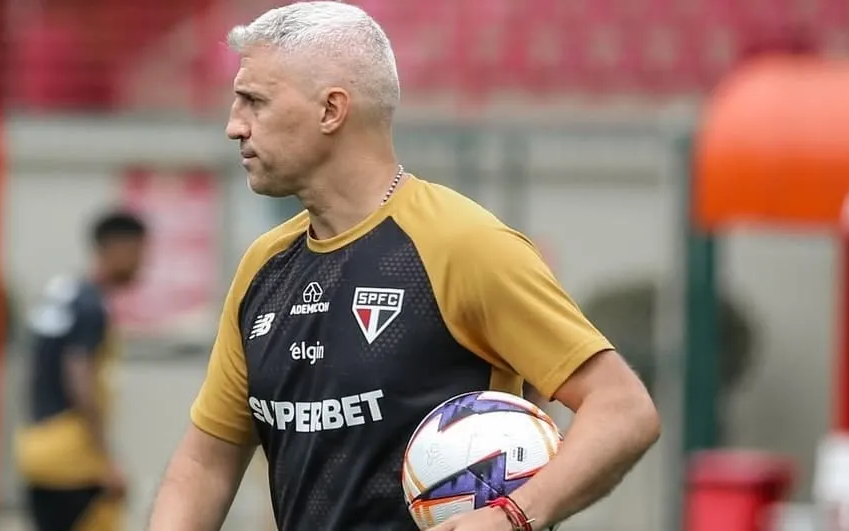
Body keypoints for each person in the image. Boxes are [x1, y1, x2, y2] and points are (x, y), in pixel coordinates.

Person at [147, 2, 660, 530]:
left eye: (254, 101)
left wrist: (513, 516)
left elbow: (622, 409)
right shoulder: (264, 266)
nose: (235, 126)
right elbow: (204, 464)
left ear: (331, 110)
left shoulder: (462, 244)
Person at [15, 210, 147, 531]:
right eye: (140, 253)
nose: (142, 265)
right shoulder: (91, 306)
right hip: (72, 455)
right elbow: (79, 375)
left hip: (36, 445)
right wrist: (106, 458)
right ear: (118, 248)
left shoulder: (64, 293)